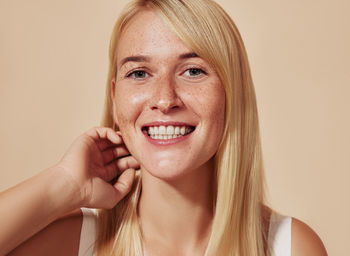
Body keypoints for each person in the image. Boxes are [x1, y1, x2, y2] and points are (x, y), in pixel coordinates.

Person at [0, 0, 328, 255]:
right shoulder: (71, 244)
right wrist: (63, 184)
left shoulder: (289, 248)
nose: (164, 99)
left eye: (193, 71)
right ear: (115, 99)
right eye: (139, 73)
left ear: (232, 93)